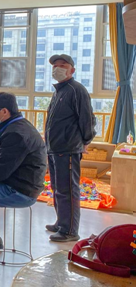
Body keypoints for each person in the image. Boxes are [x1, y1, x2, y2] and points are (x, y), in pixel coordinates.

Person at [0, 93, 47, 261]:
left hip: (20, 191)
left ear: (4, 111)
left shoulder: (16, 133)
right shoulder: (14, 125)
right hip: (20, 185)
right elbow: (1, 156)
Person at [45, 54, 96, 242]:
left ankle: (70, 231)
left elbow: (87, 119)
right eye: (55, 66)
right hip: (54, 148)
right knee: (57, 188)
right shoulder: (59, 91)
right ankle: (61, 222)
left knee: (67, 190)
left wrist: (86, 140)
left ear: (72, 70)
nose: (58, 68)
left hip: (67, 148)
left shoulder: (76, 90)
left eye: (63, 65)